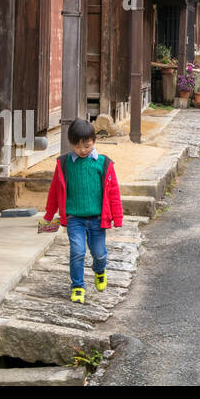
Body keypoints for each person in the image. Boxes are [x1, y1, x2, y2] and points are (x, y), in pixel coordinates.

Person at [42, 118, 123, 303]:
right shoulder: (64, 164)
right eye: (78, 146)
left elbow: (113, 192)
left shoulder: (103, 164)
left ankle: (100, 270)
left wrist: (117, 217)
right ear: (71, 143)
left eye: (87, 145)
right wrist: (49, 215)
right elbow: (55, 190)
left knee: (99, 253)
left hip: (97, 219)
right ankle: (77, 286)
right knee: (77, 252)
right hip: (74, 219)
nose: (83, 150)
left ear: (94, 141)